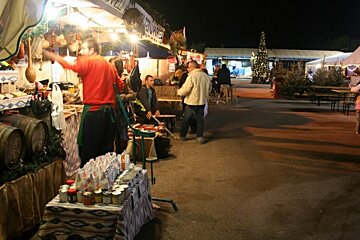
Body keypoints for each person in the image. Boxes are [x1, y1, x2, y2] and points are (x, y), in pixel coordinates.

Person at [43, 38, 124, 167]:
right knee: (106, 152)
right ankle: (106, 181)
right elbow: (120, 86)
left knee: (88, 153)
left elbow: (72, 67)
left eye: (83, 49)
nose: (80, 51)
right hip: (109, 114)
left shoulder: (89, 61)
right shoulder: (109, 65)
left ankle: (89, 184)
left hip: (94, 113)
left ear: (92, 50)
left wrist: (54, 56)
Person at [177, 60, 211, 144]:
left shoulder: (191, 76)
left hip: (191, 102)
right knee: (200, 120)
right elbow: (209, 89)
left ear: (192, 67)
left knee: (186, 119)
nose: (187, 69)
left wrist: (179, 92)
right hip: (202, 102)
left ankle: (182, 136)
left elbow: (186, 89)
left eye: (188, 67)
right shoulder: (206, 76)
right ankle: (200, 137)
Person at [112, 58, 136, 153]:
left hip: (122, 111)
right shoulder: (110, 77)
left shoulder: (125, 78)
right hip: (112, 109)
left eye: (113, 65)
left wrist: (124, 97)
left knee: (122, 134)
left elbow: (133, 94)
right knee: (113, 135)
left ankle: (124, 155)